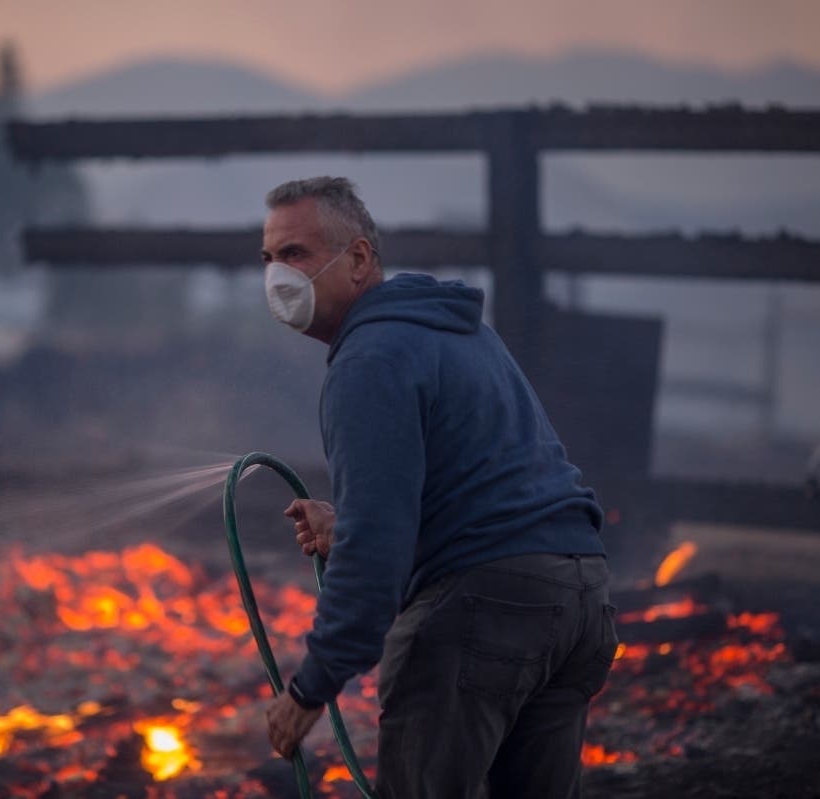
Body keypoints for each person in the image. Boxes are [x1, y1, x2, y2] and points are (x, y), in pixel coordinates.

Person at [260, 176, 618, 798]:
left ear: (360, 259)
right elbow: (481, 493)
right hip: (579, 598)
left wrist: (309, 689)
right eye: (268, 259)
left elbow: (377, 559)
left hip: (485, 612)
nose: (277, 275)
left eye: (296, 254)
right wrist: (348, 526)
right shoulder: (456, 332)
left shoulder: (368, 361)